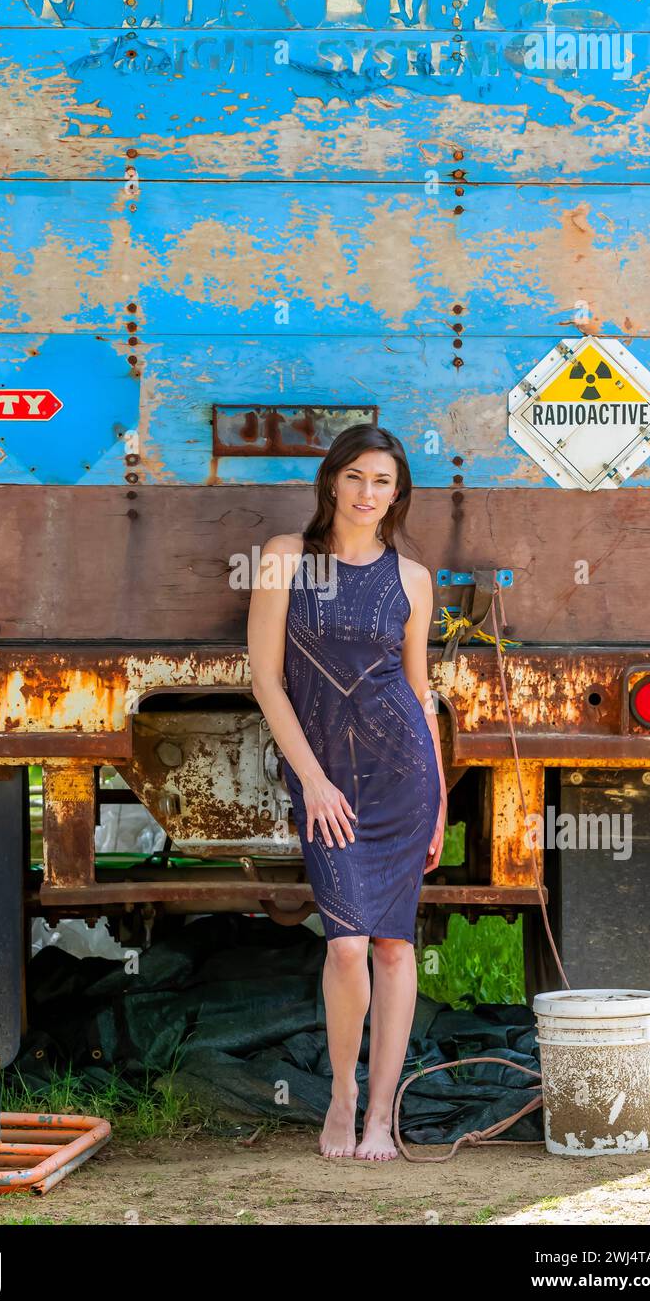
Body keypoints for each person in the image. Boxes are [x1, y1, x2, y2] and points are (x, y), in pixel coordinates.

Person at [248, 423, 447, 1161]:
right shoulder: (285, 560)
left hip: (405, 778)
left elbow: (419, 692)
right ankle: (342, 1094)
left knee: (395, 948)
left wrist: (443, 798)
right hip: (326, 778)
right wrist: (314, 780)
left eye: (384, 482)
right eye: (357, 476)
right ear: (333, 480)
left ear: (398, 495)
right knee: (346, 947)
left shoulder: (413, 579)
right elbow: (266, 679)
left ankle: (383, 1114)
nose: (368, 493)